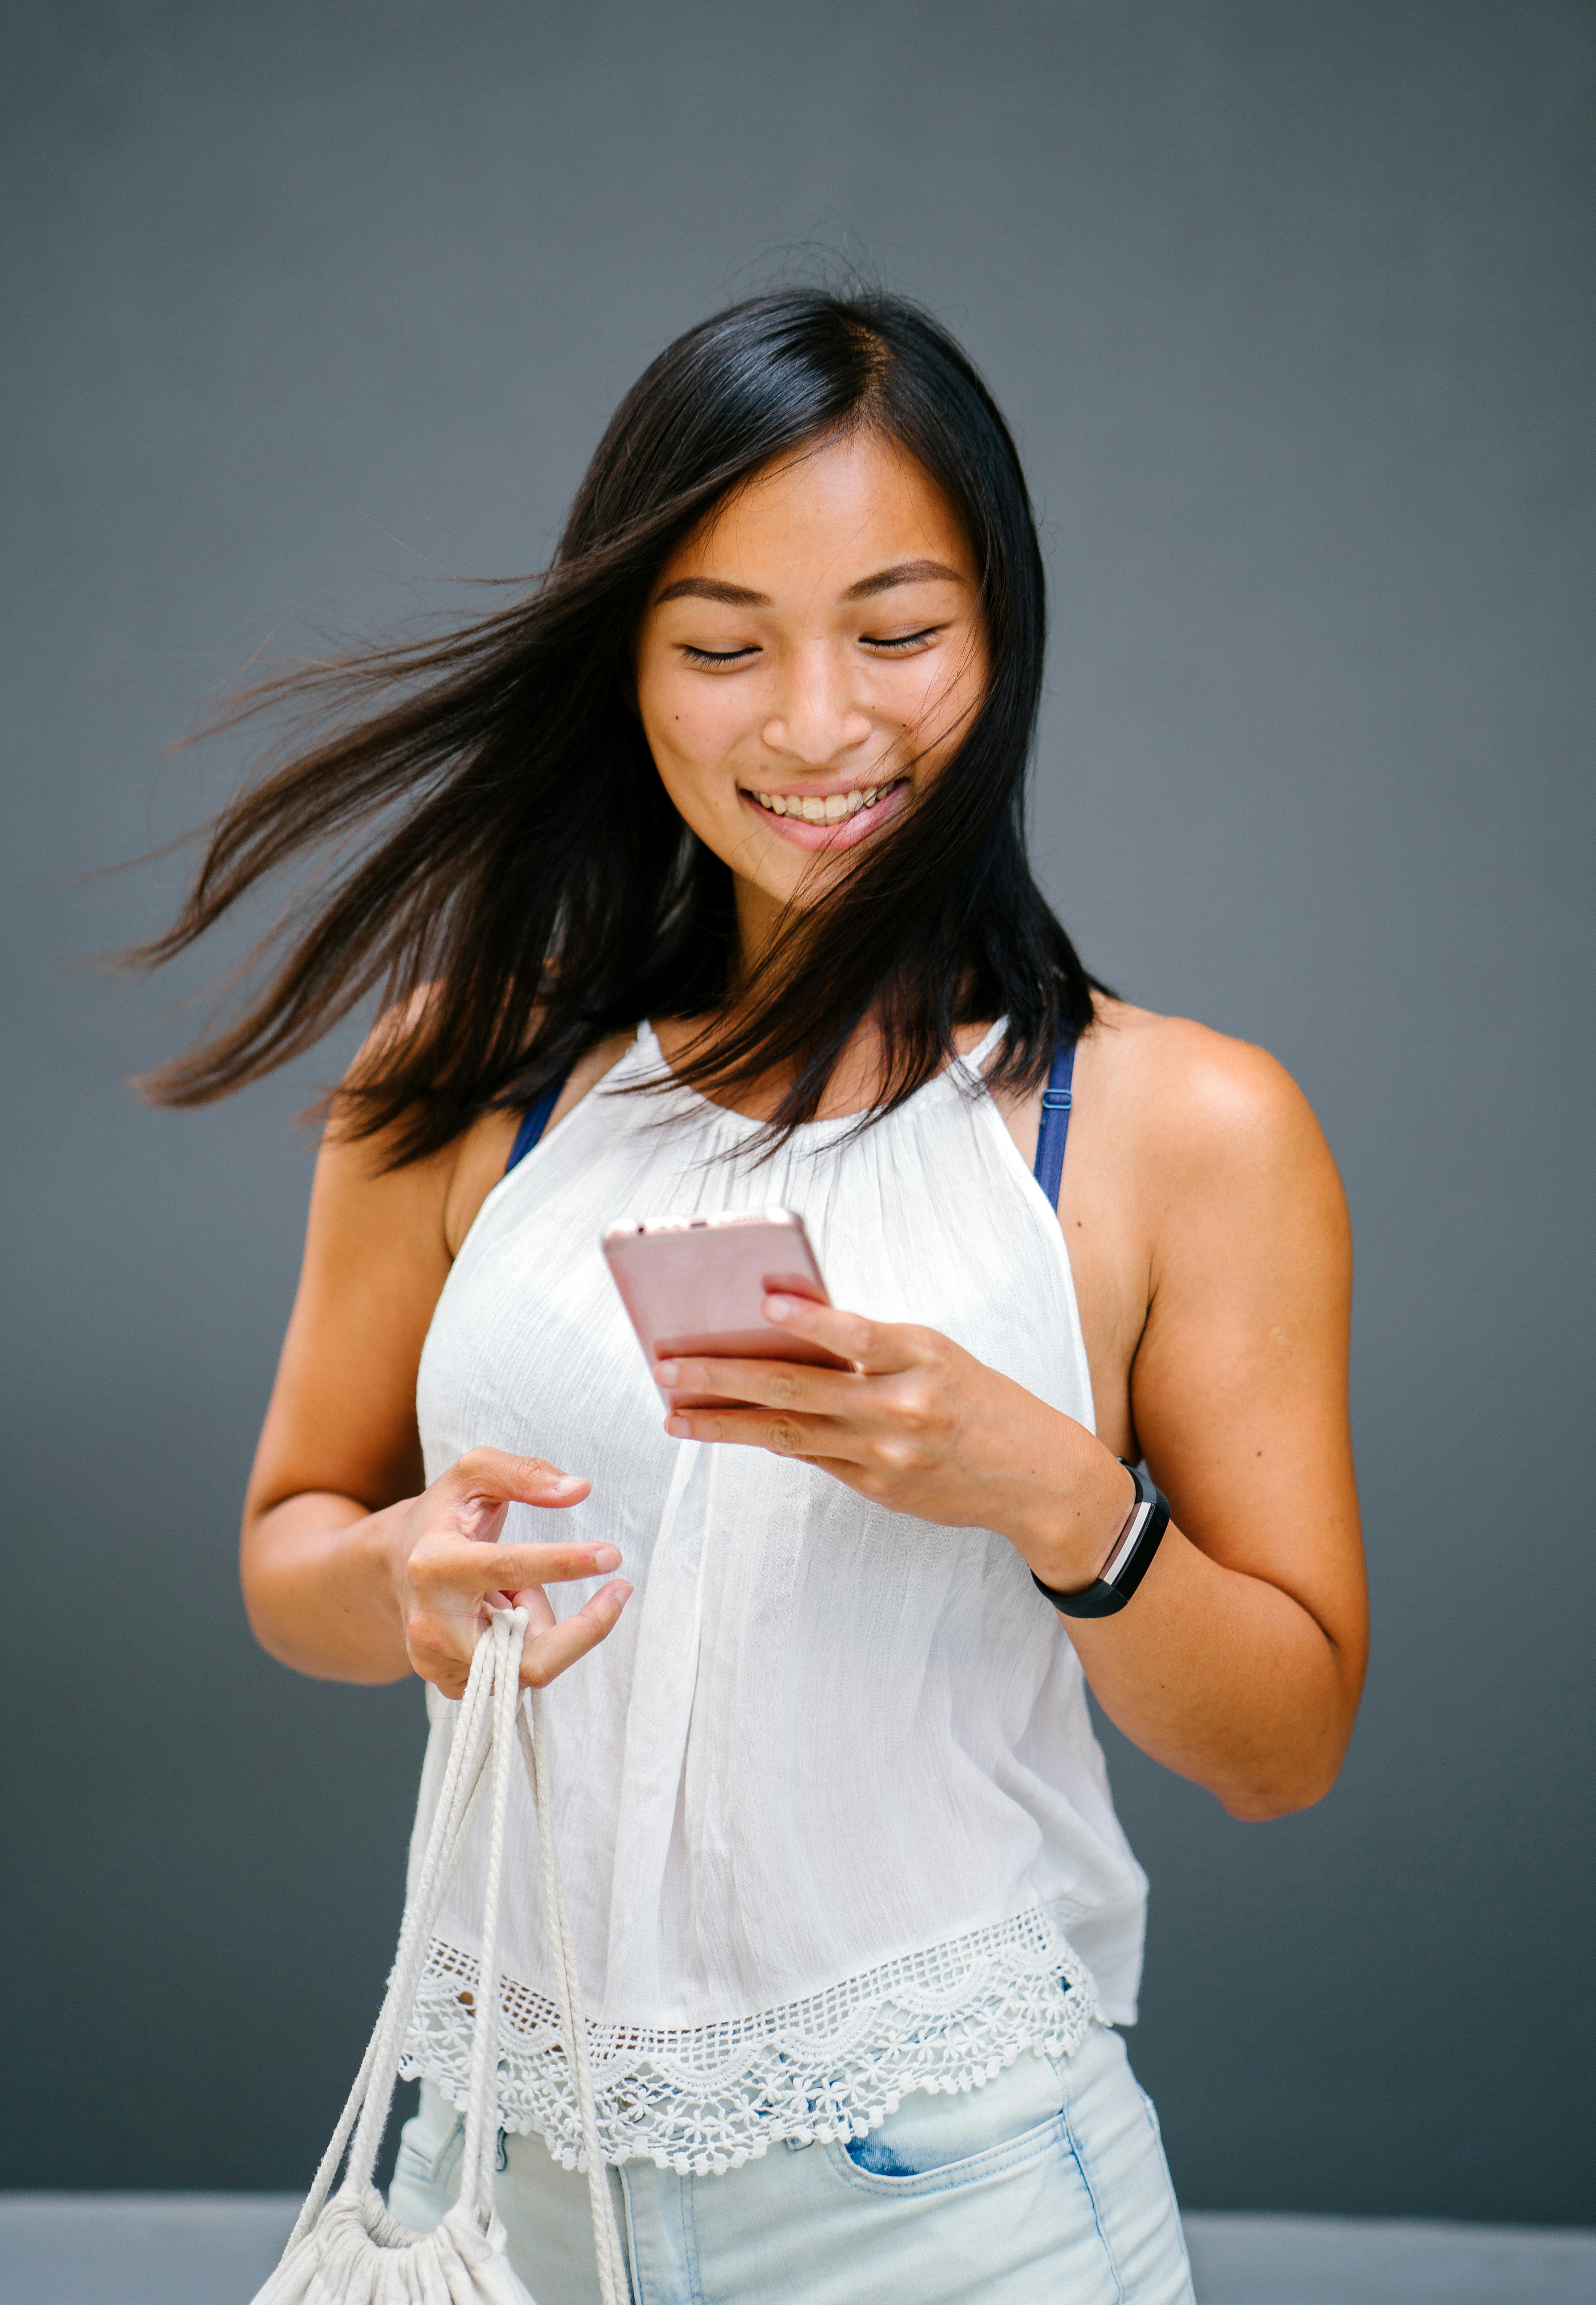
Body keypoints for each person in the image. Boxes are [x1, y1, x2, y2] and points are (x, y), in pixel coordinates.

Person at [137, 291, 1366, 2303]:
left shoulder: (1174, 1127)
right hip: (498, 2196)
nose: (814, 724)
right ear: (629, 666)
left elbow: (1283, 1740)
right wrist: (406, 1582)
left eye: (896, 634)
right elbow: (292, 1548)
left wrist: (1055, 1494)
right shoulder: (461, 1082)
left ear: (1004, 640)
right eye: (722, 646)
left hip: (958, 2210)